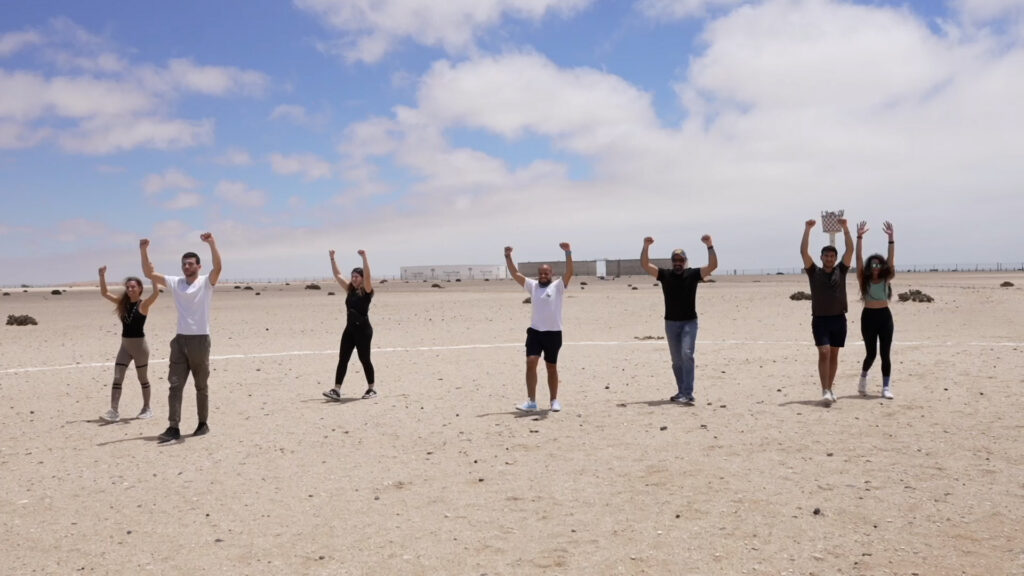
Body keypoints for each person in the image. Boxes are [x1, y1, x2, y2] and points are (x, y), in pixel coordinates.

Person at [141, 233, 222, 442]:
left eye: (190, 264)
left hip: (200, 340)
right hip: (180, 341)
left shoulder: (206, 283)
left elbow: (218, 268)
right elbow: (149, 273)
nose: (186, 267)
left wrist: (212, 244)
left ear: (198, 266)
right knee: (175, 385)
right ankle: (173, 426)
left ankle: (202, 423)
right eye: (184, 264)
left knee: (201, 385)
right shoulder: (176, 283)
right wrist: (144, 250)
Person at [640, 234, 718, 405]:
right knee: (676, 361)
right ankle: (681, 391)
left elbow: (713, 265)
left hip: (689, 322)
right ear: (671, 261)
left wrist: (709, 246)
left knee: (687, 354)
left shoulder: (693, 274)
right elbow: (645, 265)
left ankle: (688, 393)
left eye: (680, 260)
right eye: (675, 260)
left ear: (685, 261)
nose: (677, 263)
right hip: (671, 324)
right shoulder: (665, 275)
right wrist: (646, 247)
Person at [505, 243, 573, 412]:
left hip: (553, 333)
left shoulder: (558, 286)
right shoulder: (533, 286)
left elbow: (569, 272)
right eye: (541, 273)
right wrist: (508, 256)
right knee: (531, 362)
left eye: (546, 273)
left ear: (551, 274)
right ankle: (531, 401)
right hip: (535, 333)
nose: (543, 276)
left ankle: (554, 400)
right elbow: (515, 274)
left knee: (551, 367)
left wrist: (568, 253)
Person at [800, 218, 854, 405]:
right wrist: (807, 230)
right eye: (826, 256)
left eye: (832, 256)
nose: (829, 259)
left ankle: (830, 388)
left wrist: (846, 228)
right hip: (820, 320)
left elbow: (850, 251)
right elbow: (803, 252)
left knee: (834, 354)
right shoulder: (813, 272)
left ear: (835, 258)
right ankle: (824, 389)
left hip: (839, 319)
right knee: (824, 352)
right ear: (821, 257)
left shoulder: (842, 270)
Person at [98, 267, 159, 422]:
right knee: (118, 376)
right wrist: (102, 275)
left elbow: (156, 294)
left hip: (140, 347)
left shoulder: (143, 305)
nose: (130, 289)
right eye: (128, 287)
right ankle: (114, 411)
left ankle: (147, 408)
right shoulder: (122, 304)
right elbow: (105, 293)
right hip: (125, 346)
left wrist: (152, 275)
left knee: (142, 378)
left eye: (133, 287)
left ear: (139, 289)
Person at [322, 250, 377, 401]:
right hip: (350, 330)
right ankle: (336, 390)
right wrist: (332, 258)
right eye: (352, 276)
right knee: (343, 358)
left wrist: (364, 257)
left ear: (362, 278)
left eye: (356, 277)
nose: (353, 279)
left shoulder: (367, 291)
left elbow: (368, 276)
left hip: (364, 331)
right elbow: (338, 275)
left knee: (364, 359)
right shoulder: (349, 290)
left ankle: (371, 389)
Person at [855, 220, 896, 399]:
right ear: (869, 267)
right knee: (871, 354)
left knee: (885, 354)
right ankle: (863, 378)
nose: (876, 267)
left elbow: (891, 258)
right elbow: (857, 259)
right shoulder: (864, 280)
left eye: (879, 264)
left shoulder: (887, 278)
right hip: (869, 317)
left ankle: (886, 387)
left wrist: (891, 238)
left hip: (884, 317)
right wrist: (859, 237)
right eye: (873, 265)